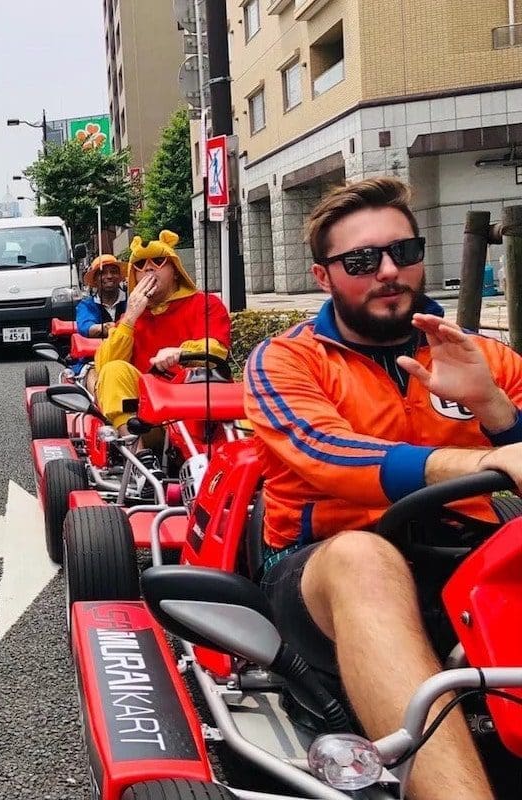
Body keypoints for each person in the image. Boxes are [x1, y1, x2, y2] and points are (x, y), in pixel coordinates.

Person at [244, 177, 522, 800]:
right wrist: (488, 460)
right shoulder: (286, 360)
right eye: (362, 261)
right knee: (362, 557)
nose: (390, 272)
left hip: (468, 552)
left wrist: (496, 410)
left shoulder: (482, 357)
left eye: (405, 252)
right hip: (324, 564)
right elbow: (324, 453)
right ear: (324, 277)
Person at [93, 229, 231, 428]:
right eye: (140, 264)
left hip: (196, 408)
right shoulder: (130, 316)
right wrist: (130, 318)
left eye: (158, 261)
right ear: (134, 276)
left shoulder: (205, 303)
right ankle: (139, 455)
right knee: (113, 369)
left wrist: (182, 352)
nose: (149, 269)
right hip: (148, 419)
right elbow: (105, 368)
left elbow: (217, 349)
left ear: (175, 270)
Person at [76, 254, 127, 339]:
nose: (109, 276)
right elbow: (86, 328)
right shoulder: (86, 305)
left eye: (113, 272)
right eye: (102, 273)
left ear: (120, 277)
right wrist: (118, 327)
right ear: (95, 280)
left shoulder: (131, 300)